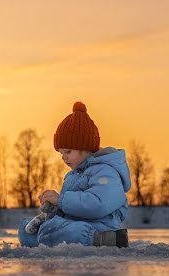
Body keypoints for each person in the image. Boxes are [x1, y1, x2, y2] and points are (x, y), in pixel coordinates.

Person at [18, 101, 131, 248]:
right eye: (61, 153)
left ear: (84, 148)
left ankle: (105, 239)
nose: (63, 157)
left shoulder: (107, 172)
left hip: (98, 227)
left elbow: (98, 205)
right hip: (74, 224)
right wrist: (52, 212)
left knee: (60, 232)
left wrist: (61, 201)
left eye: (68, 152)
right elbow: (69, 212)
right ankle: (48, 234)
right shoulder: (72, 176)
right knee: (26, 229)